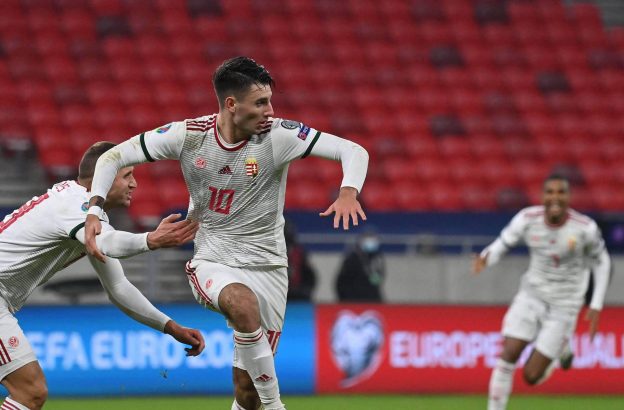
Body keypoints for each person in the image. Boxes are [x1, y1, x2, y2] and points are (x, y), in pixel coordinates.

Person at [83, 56, 369, 410]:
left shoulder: (279, 136)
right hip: (213, 259)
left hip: (269, 267)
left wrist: (348, 191)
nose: (270, 111)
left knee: (247, 393)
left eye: (270, 101)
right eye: (260, 103)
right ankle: (276, 405)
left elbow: (351, 150)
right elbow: (112, 157)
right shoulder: (189, 136)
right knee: (242, 304)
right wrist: (94, 210)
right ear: (232, 104)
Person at [0, 142, 205, 410]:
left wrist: (171, 327)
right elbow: (109, 243)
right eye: (127, 175)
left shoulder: (84, 210)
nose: (134, 184)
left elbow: (118, 286)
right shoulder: (76, 205)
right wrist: (150, 240)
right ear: (102, 177)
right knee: (30, 392)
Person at [472, 175, 611, 410]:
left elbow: (602, 262)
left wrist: (596, 305)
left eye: (561, 192)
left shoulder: (584, 228)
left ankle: (561, 350)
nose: (555, 198)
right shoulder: (527, 219)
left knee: (531, 376)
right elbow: (503, 243)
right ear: (542, 196)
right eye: (550, 192)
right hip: (532, 295)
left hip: (564, 305)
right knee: (508, 353)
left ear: (568, 197)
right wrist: (486, 258)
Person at [336, 230, 385, 302]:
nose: (371, 244)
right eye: (368, 240)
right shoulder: (352, 259)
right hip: (353, 301)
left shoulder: (377, 259)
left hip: (372, 300)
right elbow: (342, 283)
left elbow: (377, 280)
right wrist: (346, 299)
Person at [284, 219, 316, 302]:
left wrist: (305, 290)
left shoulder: (299, 253)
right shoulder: (269, 254)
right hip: (278, 294)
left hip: (297, 295)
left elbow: (310, 276)